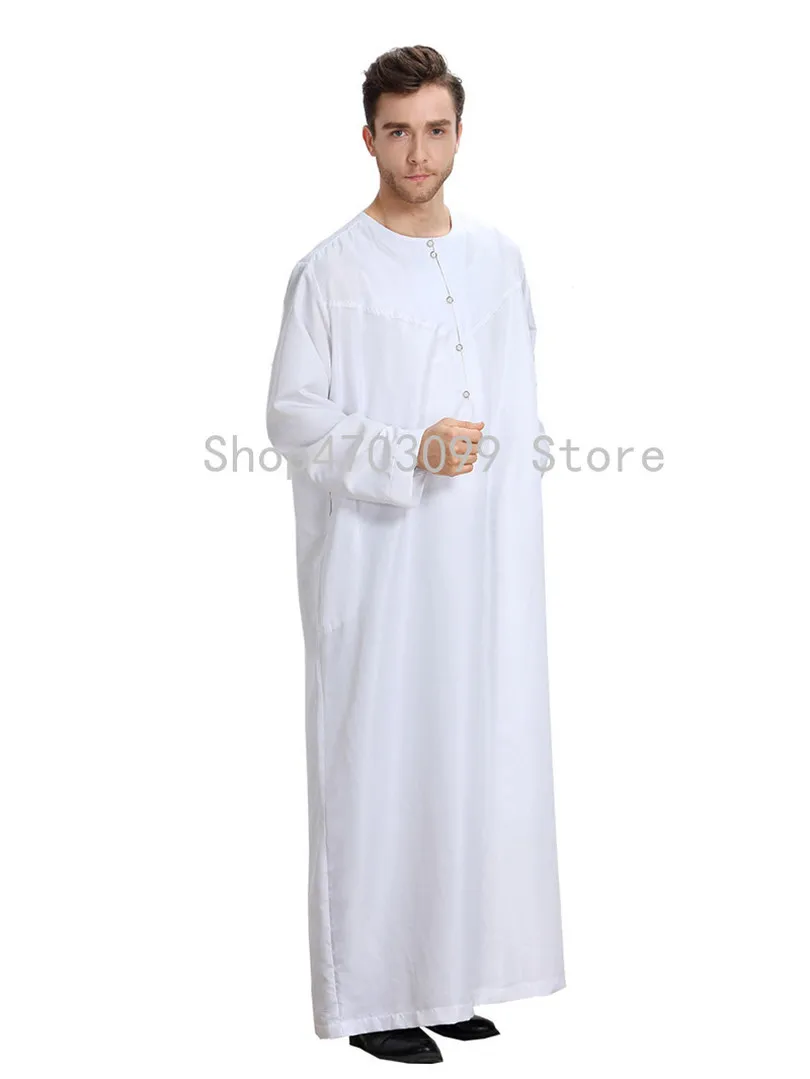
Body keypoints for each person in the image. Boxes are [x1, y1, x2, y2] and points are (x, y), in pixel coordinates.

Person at [265, 45, 565, 1064]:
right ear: (368, 138)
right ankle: (372, 995)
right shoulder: (329, 271)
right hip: (378, 566)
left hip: (481, 565)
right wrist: (405, 452)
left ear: (459, 133)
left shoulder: (497, 259)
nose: (418, 152)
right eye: (397, 131)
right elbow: (293, 416)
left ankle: (448, 974)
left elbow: (515, 405)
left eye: (436, 129)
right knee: (379, 767)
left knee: (472, 757)